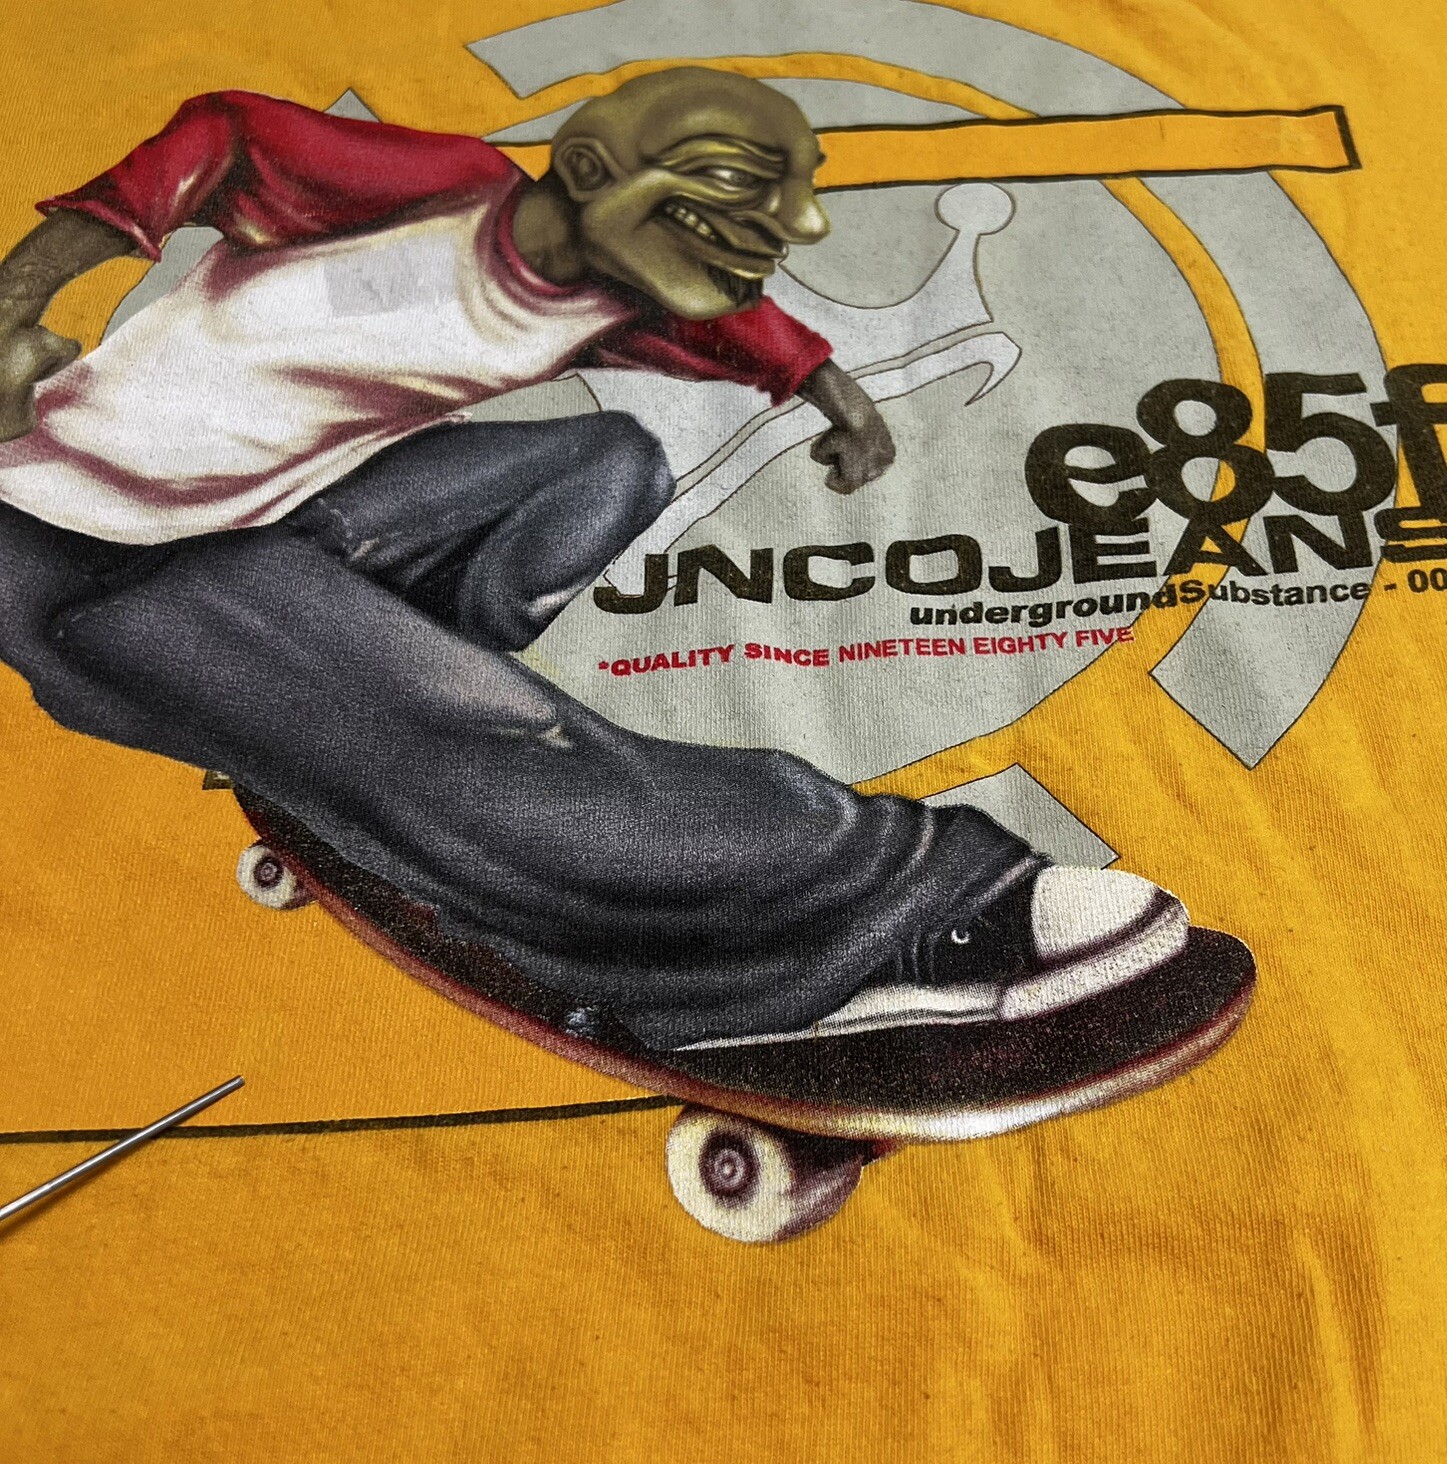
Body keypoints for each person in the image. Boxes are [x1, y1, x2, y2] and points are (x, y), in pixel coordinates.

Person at [0, 68, 1190, 1053]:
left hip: (276, 522)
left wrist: (827, 388)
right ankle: (883, 903)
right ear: (583, 174)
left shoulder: (611, 294)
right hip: (92, 564)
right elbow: (226, 132)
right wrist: (18, 300)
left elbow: (729, 320)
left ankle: (381, 689)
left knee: (608, 461)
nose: (780, 237)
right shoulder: (426, 192)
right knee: (514, 742)